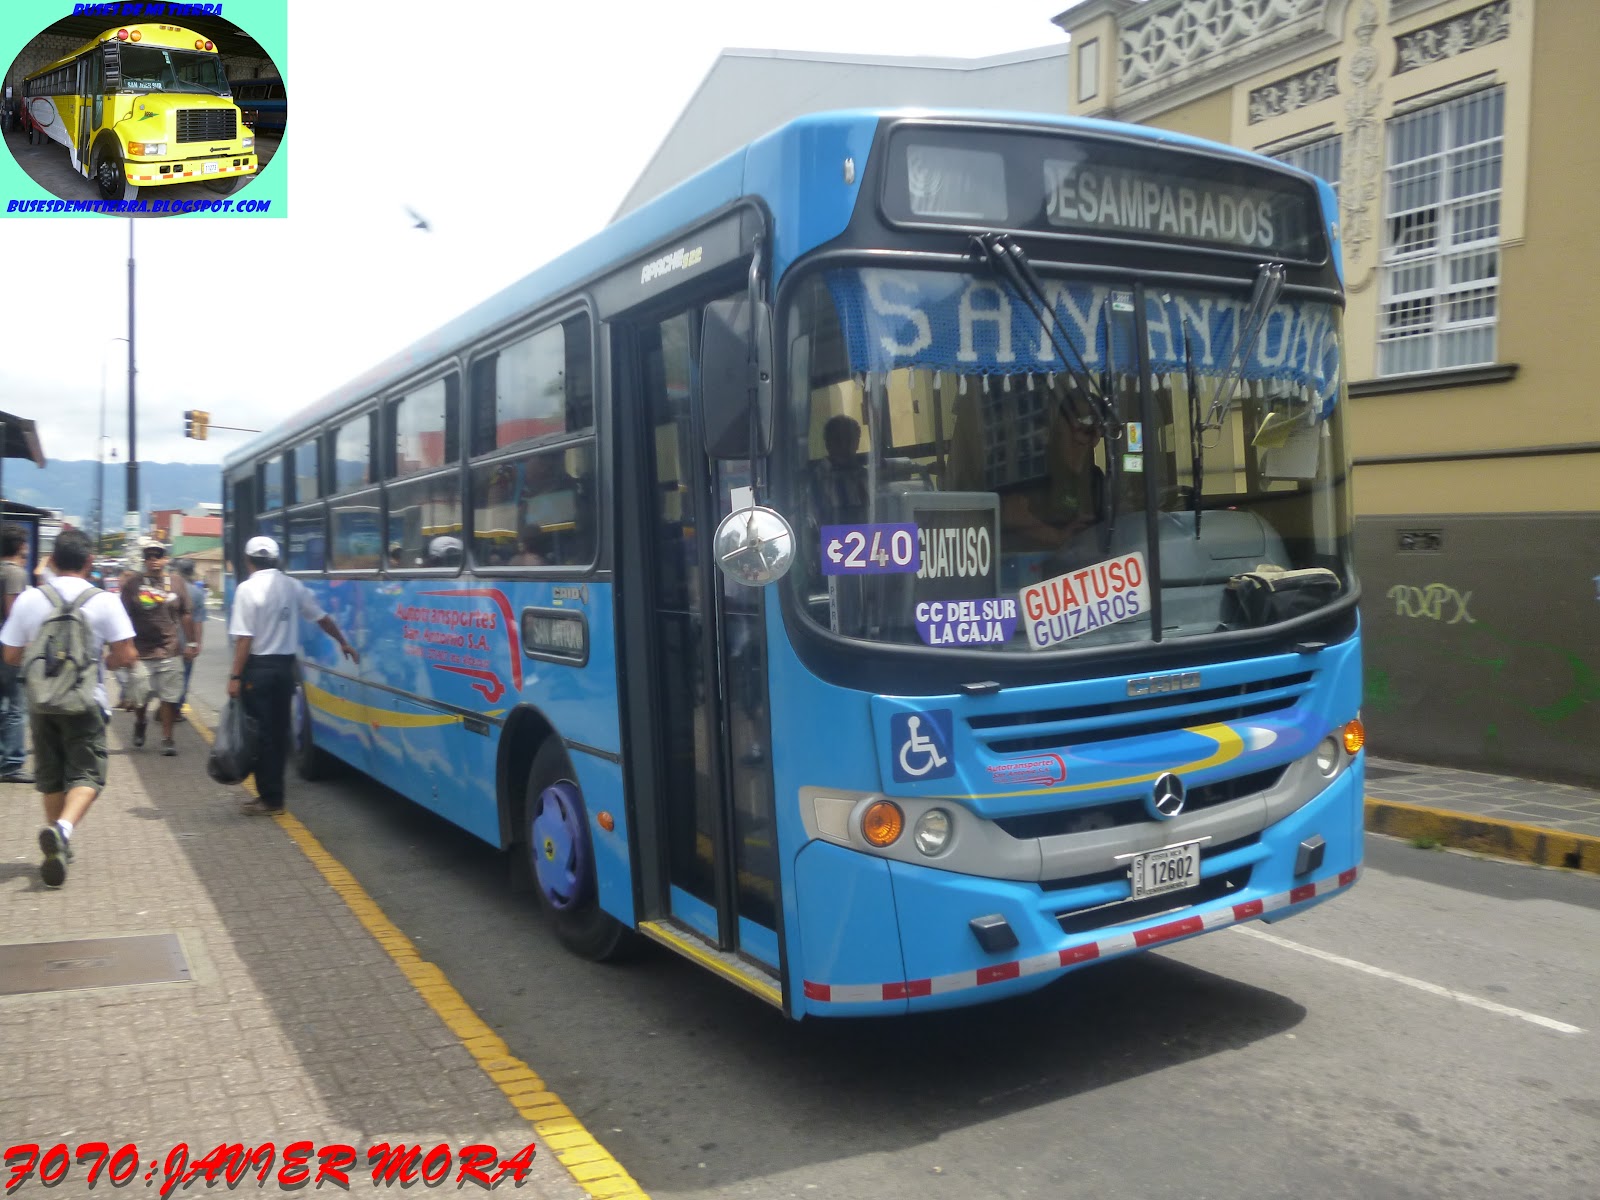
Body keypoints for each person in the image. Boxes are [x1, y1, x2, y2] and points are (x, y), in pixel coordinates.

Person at [0, 529, 137, 888]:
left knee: (52, 775)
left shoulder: (31, 599)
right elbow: (127, 655)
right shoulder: (104, 601)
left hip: (41, 703)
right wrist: (103, 661)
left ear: (52, 561)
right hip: (84, 702)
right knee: (88, 775)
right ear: (89, 562)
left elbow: (10, 655)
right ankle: (62, 830)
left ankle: (58, 848)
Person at [227, 535, 359, 815]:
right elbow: (322, 617)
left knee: (260, 735)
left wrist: (235, 676)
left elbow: (244, 639)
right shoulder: (293, 586)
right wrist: (343, 642)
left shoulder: (246, 589)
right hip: (285, 670)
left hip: (259, 670)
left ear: (248, 560)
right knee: (278, 733)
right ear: (276, 559)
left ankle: (270, 799)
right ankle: (272, 797)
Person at [119, 544, 197, 756]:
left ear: (166, 559)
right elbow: (122, 616)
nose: (153, 559)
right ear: (144, 560)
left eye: (158, 555)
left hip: (170, 649)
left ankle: (167, 738)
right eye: (148, 556)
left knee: (169, 697)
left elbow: (186, 613)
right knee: (141, 696)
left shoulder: (177, 582)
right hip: (141, 652)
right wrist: (124, 647)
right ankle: (140, 722)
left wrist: (191, 643)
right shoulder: (133, 584)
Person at [0, 523, 33, 783]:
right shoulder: (15, 573)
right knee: (16, 705)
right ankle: (11, 763)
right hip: (7, 644)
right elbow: (14, 614)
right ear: (20, 546)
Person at [809, 414, 870, 524]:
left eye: (851, 440)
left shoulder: (865, 476)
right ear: (828, 443)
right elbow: (819, 521)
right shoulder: (818, 479)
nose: (846, 446)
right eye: (839, 440)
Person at [174, 560, 206, 720]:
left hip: (167, 642)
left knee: (168, 676)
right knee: (184, 676)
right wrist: (196, 643)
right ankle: (176, 709)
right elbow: (197, 622)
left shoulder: (169, 589)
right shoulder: (198, 593)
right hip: (187, 641)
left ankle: (166, 707)